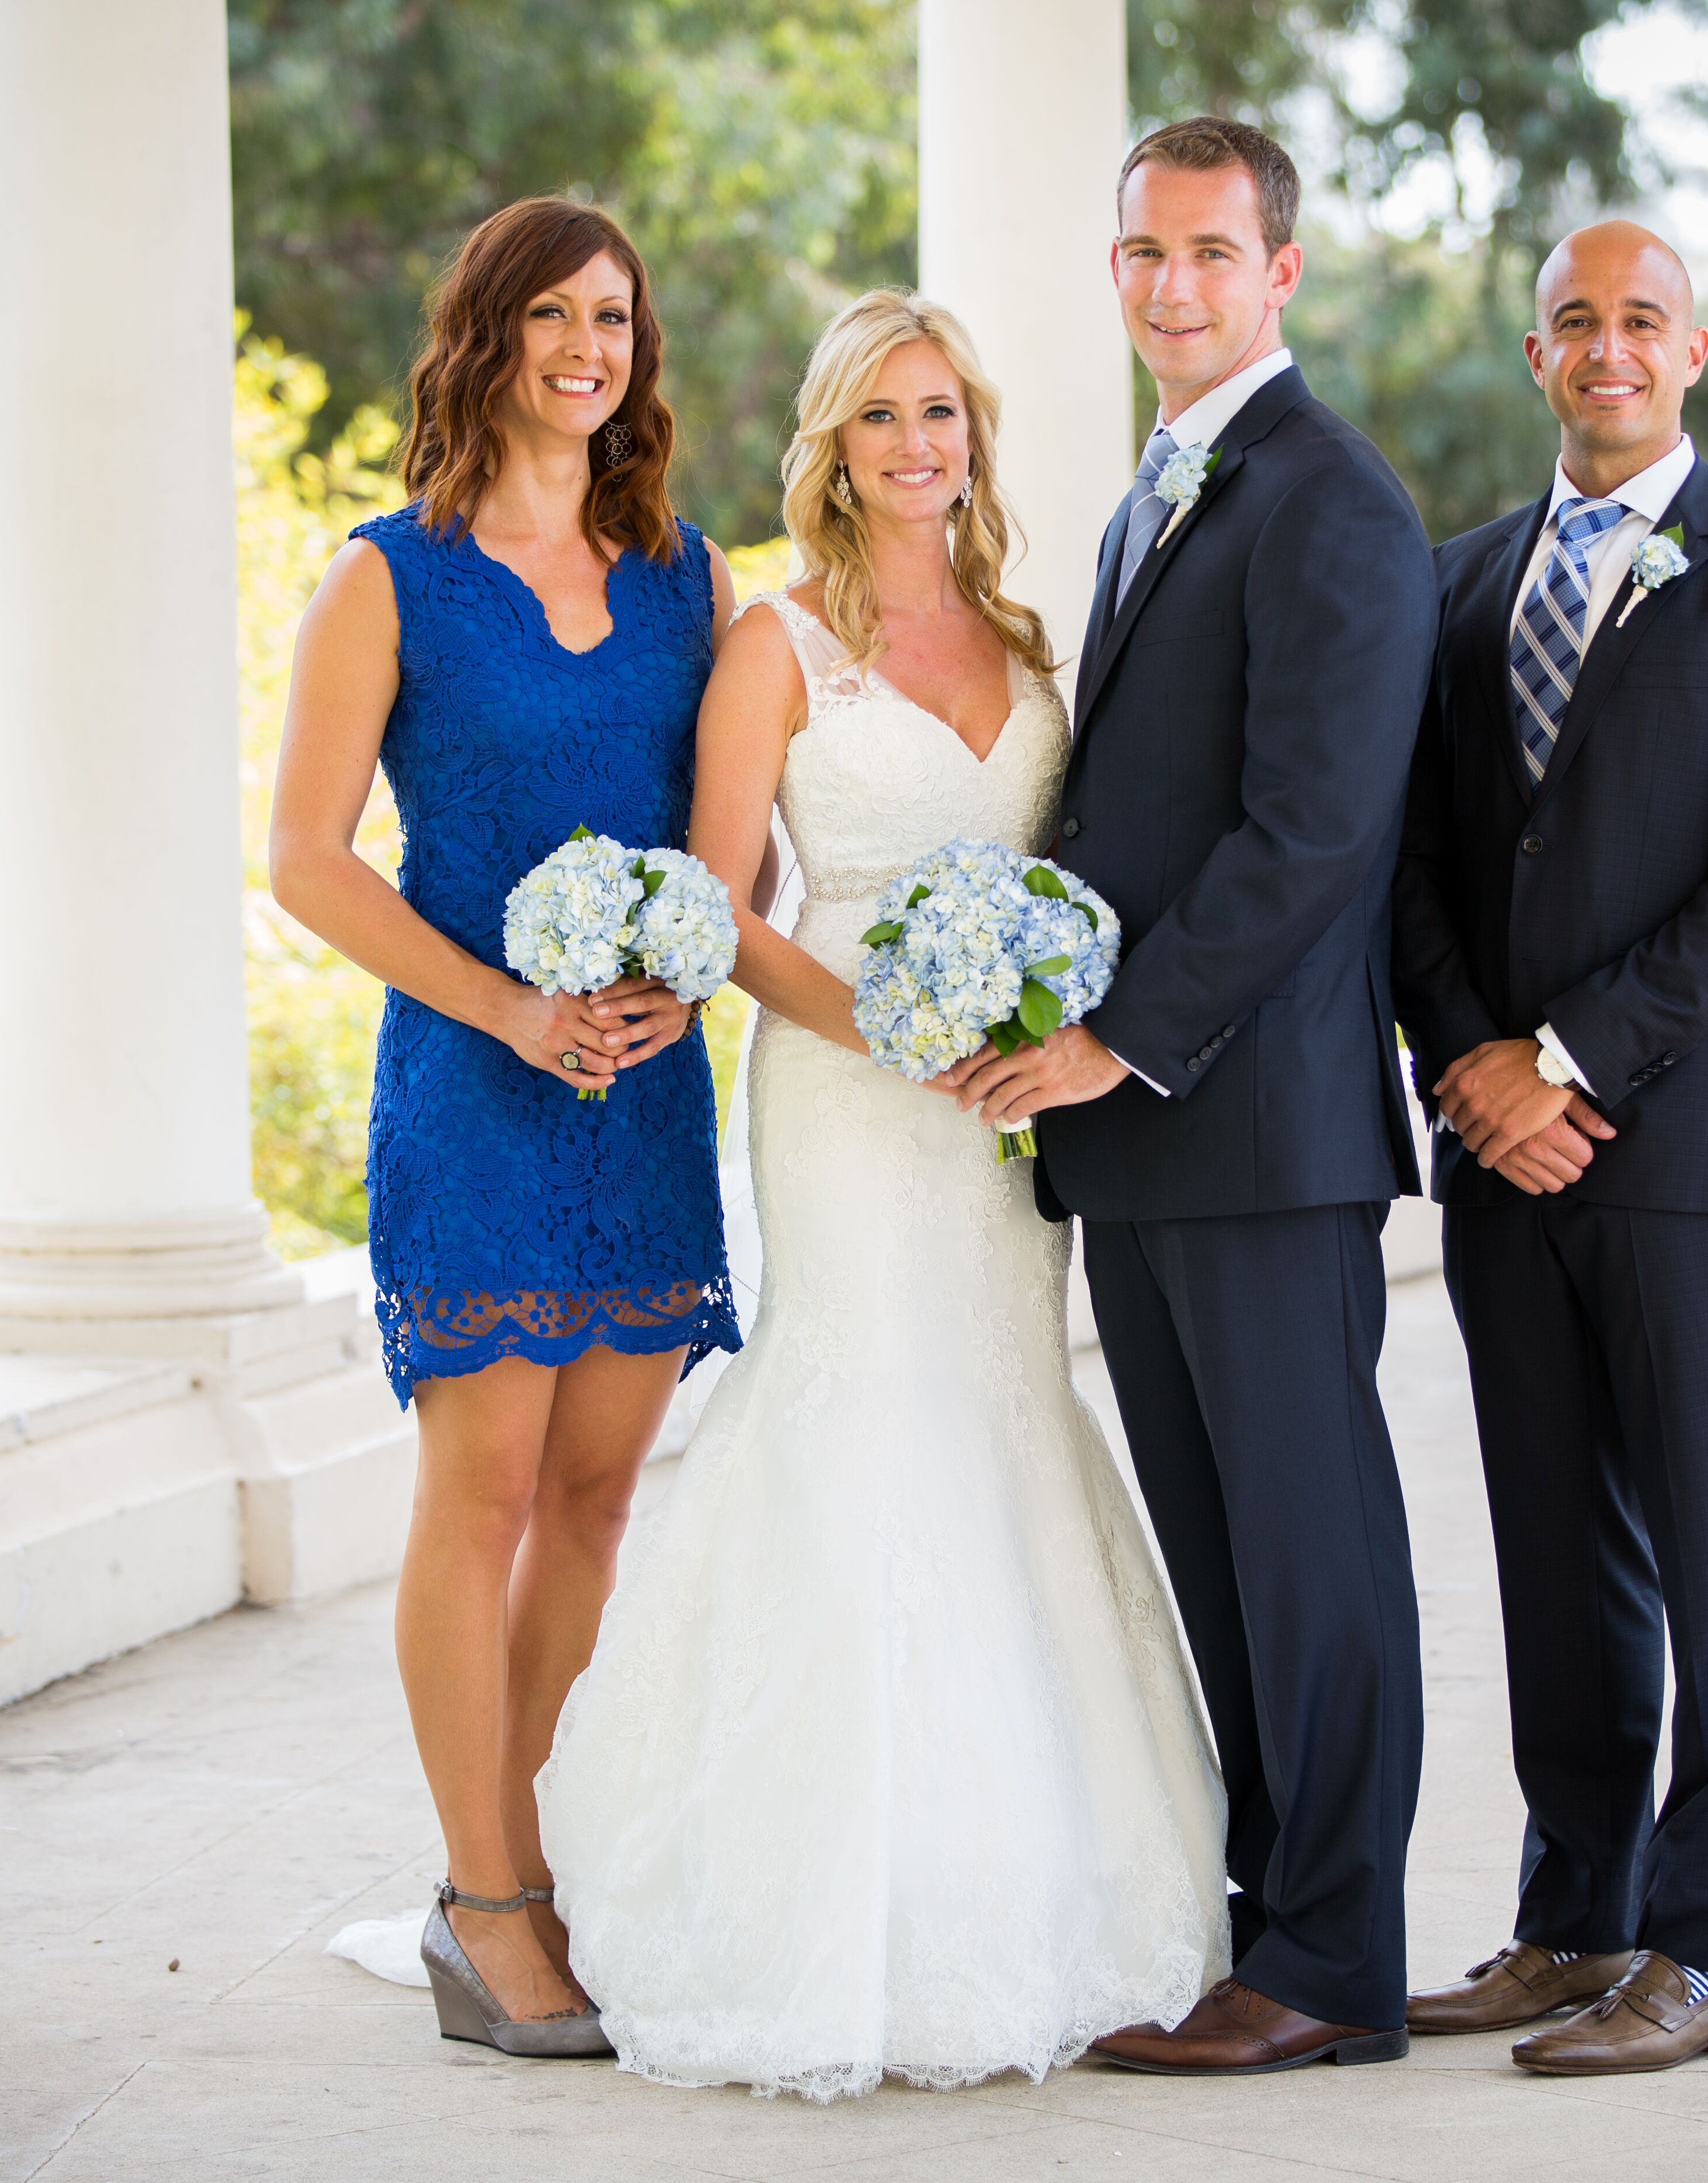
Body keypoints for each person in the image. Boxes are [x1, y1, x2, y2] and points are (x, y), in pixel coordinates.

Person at [532, 290, 1228, 2101]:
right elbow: (722, 903)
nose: (919, 446)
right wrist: (891, 1031)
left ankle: (1047, 1886)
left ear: (974, 437)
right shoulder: (776, 645)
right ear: (833, 446)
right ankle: (807, 1908)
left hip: (1008, 1114)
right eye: (882, 419)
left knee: (1004, 1417)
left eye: (945, 414)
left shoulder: (1023, 632)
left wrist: (1032, 1028)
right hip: (848, 1097)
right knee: (863, 1423)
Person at [945, 116, 1436, 2077]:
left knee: (1311, 1550)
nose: (1172, 287)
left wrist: (1119, 1034)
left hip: (1251, 1121)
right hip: (1139, 1138)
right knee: (1218, 1551)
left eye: (1212, 256)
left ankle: (1335, 1963)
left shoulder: (1330, 499)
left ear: (1283, 272)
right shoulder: (1158, 487)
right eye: (1143, 253)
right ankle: (1263, 1924)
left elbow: (1312, 835)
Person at [1390, 220, 1708, 2074]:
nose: (1607, 347)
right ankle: (1572, 1920)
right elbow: (1416, 865)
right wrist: (1471, 1069)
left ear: (1691, 351)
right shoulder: (1457, 585)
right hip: (1500, 1157)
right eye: (1574, 320)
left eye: (1640, 319)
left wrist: (1568, 1059)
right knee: (1555, 1557)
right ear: (1536, 357)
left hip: (1680, 1152)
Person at [268, 198, 741, 2060]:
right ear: (484, 334)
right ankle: (483, 1904)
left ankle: (537, 1860)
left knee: (601, 1494)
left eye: (613, 316)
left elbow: (734, 829)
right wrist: (509, 1009)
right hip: (473, 1078)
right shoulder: (384, 579)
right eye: (550, 313)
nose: (585, 347)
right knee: (479, 1495)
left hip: (641, 1083)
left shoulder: (689, 573)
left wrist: (679, 978)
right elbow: (307, 860)